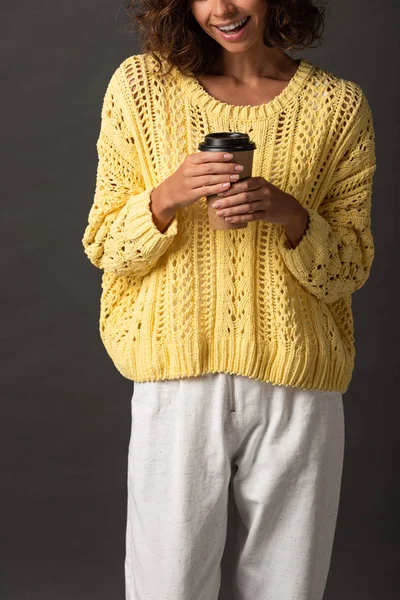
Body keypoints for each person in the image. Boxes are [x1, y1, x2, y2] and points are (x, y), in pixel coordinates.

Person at [81, 1, 377, 598]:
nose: (222, 8)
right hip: (176, 379)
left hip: (297, 380)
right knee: (167, 585)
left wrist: (292, 216)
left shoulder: (337, 106)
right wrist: (167, 197)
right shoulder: (140, 88)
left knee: (289, 588)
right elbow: (104, 244)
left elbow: (349, 267)